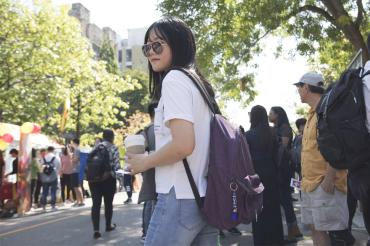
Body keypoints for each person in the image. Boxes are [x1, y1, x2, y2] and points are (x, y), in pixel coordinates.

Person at [126, 17, 218, 245]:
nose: (151, 52)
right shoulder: (198, 84)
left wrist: (144, 162)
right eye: (147, 47)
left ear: (177, 44)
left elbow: (184, 145)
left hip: (178, 196)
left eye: (158, 45)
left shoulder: (174, 80)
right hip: (204, 197)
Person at [295, 72, 349, 246]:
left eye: (299, 87)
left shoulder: (327, 111)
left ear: (306, 87)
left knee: (334, 233)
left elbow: (338, 146)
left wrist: (330, 177)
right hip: (310, 185)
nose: (298, 91)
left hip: (324, 183)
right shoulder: (312, 113)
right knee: (315, 228)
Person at [245, 105, 284, 245]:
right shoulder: (273, 132)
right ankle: (277, 240)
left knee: (258, 210)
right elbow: (278, 154)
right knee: (273, 209)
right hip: (272, 174)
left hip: (256, 177)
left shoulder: (248, 135)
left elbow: (246, 158)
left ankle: (261, 241)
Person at [269, 106, 302, 241]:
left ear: (277, 115)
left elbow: (282, 149)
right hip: (279, 168)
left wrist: (274, 166)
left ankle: (293, 230)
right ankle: (294, 230)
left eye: (271, 113)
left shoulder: (285, 128)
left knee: (285, 199)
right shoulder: (277, 128)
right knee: (283, 199)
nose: (268, 115)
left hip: (283, 169)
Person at [88, 129, 120, 239]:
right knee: (108, 203)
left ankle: (96, 230)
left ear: (103, 136)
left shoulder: (95, 147)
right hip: (108, 179)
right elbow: (116, 167)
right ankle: (108, 225)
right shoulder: (114, 148)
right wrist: (119, 179)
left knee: (95, 204)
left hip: (94, 180)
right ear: (112, 137)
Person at [138, 102, 158, 242]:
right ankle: (150, 234)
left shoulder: (145, 131)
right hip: (161, 173)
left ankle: (146, 233)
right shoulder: (159, 129)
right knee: (154, 204)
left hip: (150, 173)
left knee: (150, 202)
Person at [40, 146, 61, 211]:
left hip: (44, 177)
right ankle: (53, 206)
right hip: (53, 176)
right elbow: (58, 166)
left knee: (44, 192)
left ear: (47, 150)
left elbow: (41, 167)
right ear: (53, 150)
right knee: (53, 191)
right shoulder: (55, 157)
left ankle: (43, 207)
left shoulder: (44, 158)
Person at [70, 138, 84, 206]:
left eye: (72, 143)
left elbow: (76, 159)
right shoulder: (77, 150)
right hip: (76, 170)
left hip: (76, 170)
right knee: (76, 186)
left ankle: (81, 201)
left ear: (74, 143)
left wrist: (71, 158)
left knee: (76, 186)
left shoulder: (77, 150)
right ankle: (78, 201)